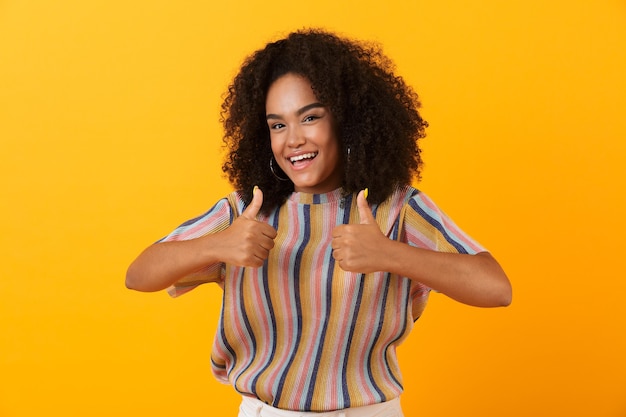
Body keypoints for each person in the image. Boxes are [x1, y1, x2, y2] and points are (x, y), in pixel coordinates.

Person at [126, 28, 512, 417]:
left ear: (347, 121)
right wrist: (216, 245)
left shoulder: (397, 208)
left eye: (309, 117)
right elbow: (139, 275)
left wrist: (390, 254)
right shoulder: (245, 210)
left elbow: (495, 288)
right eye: (278, 125)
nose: (292, 139)